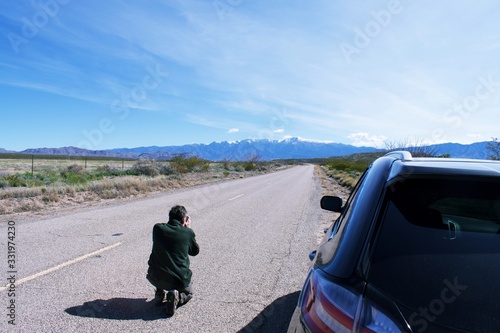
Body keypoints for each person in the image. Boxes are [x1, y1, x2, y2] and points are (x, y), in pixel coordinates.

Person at [147, 205, 200, 316]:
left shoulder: (157, 228)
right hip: (178, 280)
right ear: (184, 219)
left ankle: (159, 293)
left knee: (162, 259)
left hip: (154, 276)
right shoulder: (187, 233)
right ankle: (178, 297)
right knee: (189, 292)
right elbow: (194, 251)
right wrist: (188, 228)